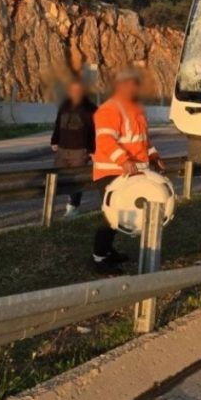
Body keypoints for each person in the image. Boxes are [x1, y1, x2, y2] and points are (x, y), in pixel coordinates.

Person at [90, 68, 166, 274]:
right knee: (112, 216)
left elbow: (142, 140)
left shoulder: (136, 110)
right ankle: (98, 258)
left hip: (132, 173)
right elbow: (105, 140)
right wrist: (123, 160)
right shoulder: (109, 110)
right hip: (112, 172)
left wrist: (154, 155)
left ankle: (107, 252)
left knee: (122, 215)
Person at [51, 76, 97, 219]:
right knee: (59, 178)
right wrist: (54, 140)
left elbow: (95, 131)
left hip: (80, 150)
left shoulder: (91, 109)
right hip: (63, 148)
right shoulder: (64, 105)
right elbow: (58, 123)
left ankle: (73, 208)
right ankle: (53, 204)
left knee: (76, 180)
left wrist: (92, 150)